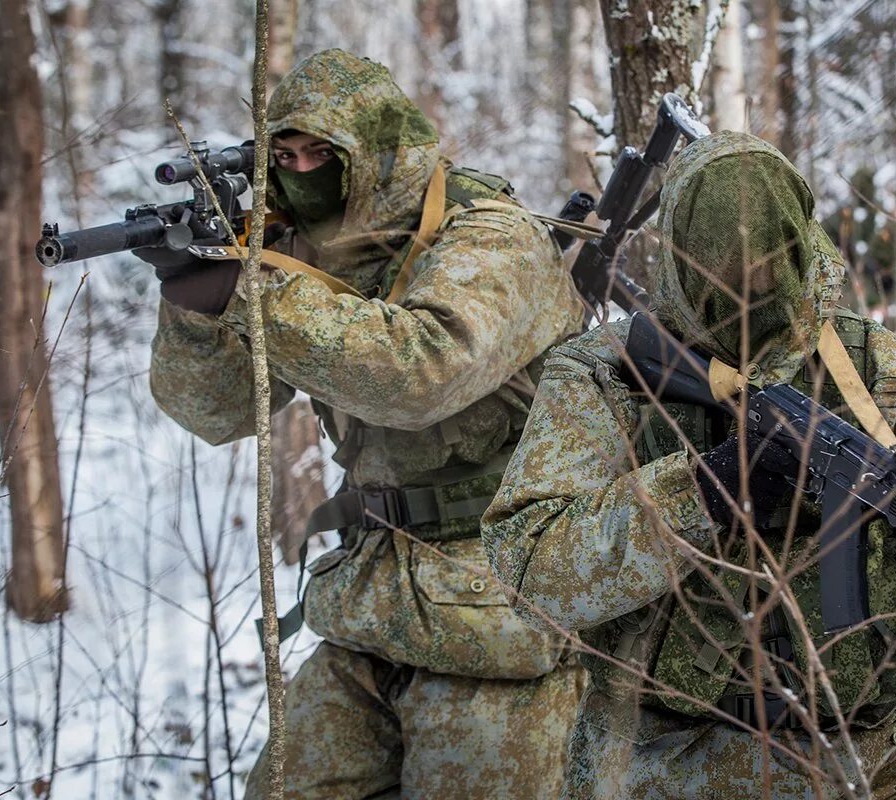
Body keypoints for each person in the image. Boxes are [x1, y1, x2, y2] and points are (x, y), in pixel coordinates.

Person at [481, 131, 896, 798]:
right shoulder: (606, 376)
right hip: (668, 766)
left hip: (882, 765)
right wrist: (704, 491)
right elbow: (528, 569)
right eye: (716, 265)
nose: (744, 285)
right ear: (678, 255)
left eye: (765, 259)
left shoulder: (893, 380)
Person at [143, 49, 587, 798]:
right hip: (371, 605)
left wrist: (256, 294)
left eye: (325, 155)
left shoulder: (492, 238)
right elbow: (216, 414)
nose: (304, 171)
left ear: (382, 152)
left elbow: (420, 373)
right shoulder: (307, 253)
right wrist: (194, 308)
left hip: (507, 611)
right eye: (285, 156)